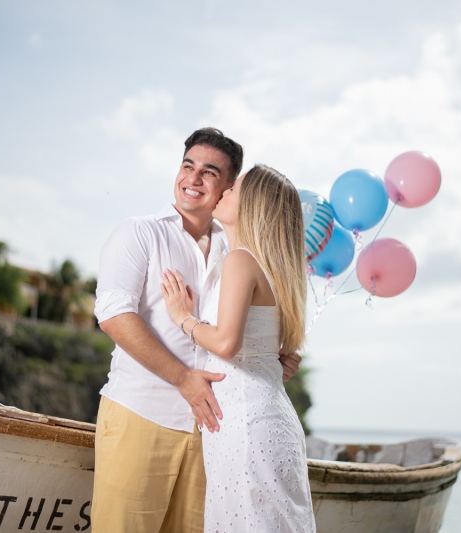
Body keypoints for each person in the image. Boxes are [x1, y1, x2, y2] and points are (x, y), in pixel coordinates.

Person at [91, 128, 302, 532]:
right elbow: (113, 315)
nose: (193, 178)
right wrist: (183, 378)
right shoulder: (140, 232)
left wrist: (268, 356)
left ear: (228, 188)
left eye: (209, 172)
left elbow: (242, 325)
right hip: (143, 413)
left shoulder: (237, 245)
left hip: (215, 430)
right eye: (188, 165)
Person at [161, 164, 317, 532]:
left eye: (234, 189)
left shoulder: (241, 260)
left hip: (247, 424)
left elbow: (228, 343)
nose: (225, 191)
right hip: (265, 415)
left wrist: (183, 316)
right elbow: (271, 351)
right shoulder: (273, 268)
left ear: (253, 206)